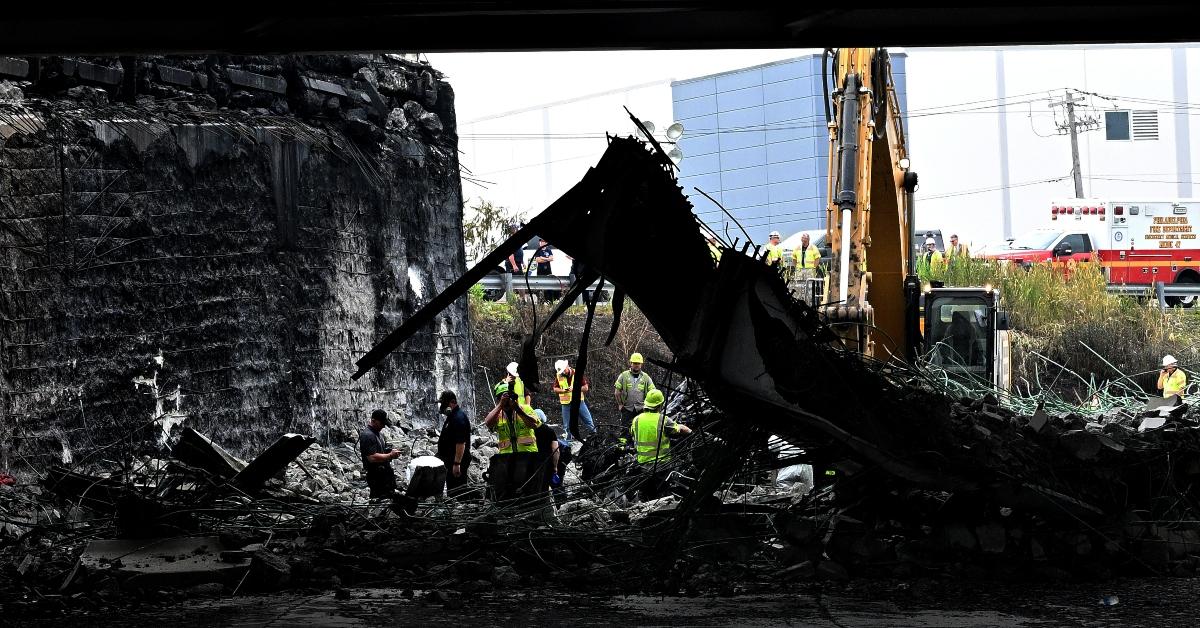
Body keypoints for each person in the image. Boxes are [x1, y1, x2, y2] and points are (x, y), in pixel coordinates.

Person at [623, 389, 692, 500]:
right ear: (660, 405)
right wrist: (691, 432)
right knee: (664, 492)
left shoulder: (636, 420)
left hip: (643, 465)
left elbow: (632, 433)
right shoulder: (663, 420)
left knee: (648, 495)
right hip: (662, 466)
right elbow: (679, 430)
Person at [484, 383, 542, 502]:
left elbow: (534, 424)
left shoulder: (525, 408)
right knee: (509, 490)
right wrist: (500, 405)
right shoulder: (498, 414)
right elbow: (488, 423)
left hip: (528, 456)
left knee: (529, 489)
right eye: (503, 398)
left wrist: (518, 409)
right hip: (507, 458)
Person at [359, 409, 402, 499]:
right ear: (373, 421)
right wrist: (390, 455)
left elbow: (380, 451)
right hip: (376, 476)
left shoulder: (378, 433)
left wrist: (390, 451)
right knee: (379, 501)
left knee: (388, 498)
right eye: (381, 423)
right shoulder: (367, 435)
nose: (383, 426)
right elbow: (372, 457)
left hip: (384, 474)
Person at [436, 391, 472, 498]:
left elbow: (460, 443)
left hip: (457, 461)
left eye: (443, 403)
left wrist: (457, 464)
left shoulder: (458, 418)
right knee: (453, 489)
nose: (442, 406)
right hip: (450, 460)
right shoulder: (452, 416)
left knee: (457, 491)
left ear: (452, 402)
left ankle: (462, 509)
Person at [553, 358, 595, 441]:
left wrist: (575, 388)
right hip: (565, 404)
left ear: (567, 366)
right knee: (567, 425)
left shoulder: (577, 373)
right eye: (561, 372)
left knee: (588, 421)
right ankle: (568, 442)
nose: (563, 373)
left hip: (579, 402)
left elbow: (585, 388)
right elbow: (555, 389)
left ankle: (594, 436)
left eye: (563, 370)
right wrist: (563, 391)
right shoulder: (559, 375)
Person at [614, 352, 655, 425]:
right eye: (635, 363)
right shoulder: (623, 375)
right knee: (625, 430)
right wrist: (620, 404)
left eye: (638, 363)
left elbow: (653, 392)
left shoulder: (646, 377)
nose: (636, 365)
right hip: (627, 409)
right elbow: (617, 392)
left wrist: (649, 406)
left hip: (641, 409)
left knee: (639, 429)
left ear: (641, 364)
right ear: (631, 363)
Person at [789, 232, 822, 296]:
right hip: (799, 270)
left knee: (810, 285)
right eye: (803, 239)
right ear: (801, 240)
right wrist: (796, 267)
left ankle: (809, 299)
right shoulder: (797, 247)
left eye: (805, 239)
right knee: (799, 285)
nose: (804, 241)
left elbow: (817, 258)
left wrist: (813, 268)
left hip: (810, 270)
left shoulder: (813, 247)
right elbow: (794, 258)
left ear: (808, 240)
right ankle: (800, 298)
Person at [532, 237, 559, 301]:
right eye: (540, 242)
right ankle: (540, 300)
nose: (541, 243)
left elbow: (551, 258)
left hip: (548, 270)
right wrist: (547, 259)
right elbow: (538, 260)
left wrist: (543, 258)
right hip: (540, 270)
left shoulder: (549, 250)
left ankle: (549, 299)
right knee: (540, 284)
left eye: (542, 241)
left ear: (546, 243)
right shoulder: (538, 250)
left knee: (549, 284)